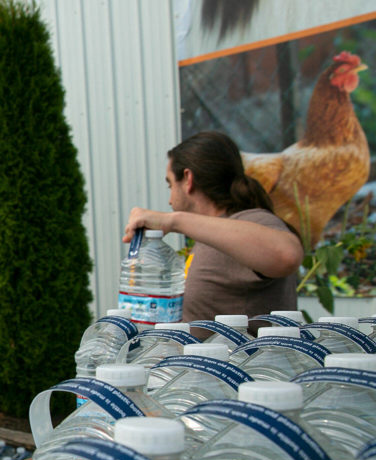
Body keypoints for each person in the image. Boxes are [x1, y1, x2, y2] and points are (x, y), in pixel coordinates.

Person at [124, 131, 303, 328]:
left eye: (170, 185)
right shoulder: (212, 234)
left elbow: (287, 255)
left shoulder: (253, 220)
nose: (169, 200)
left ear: (187, 179)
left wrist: (173, 221)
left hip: (238, 359)